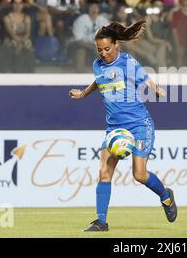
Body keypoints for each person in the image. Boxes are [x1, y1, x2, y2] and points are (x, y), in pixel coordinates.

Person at [69, 20, 177, 232]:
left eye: (107, 49)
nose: (103, 53)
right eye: (99, 49)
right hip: (115, 130)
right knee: (104, 171)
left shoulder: (127, 62)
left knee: (139, 174)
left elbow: (145, 79)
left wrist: (156, 89)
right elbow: (98, 82)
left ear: (116, 45)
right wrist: (83, 93)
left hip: (138, 126)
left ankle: (165, 196)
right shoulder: (97, 65)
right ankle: (101, 221)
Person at [71, 3, 109, 72]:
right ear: (88, 9)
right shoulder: (81, 20)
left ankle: (104, 77)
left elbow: (108, 39)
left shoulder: (103, 20)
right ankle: (79, 77)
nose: (94, 9)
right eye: (92, 7)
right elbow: (79, 41)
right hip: (80, 44)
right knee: (81, 51)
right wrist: (93, 48)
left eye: (96, 7)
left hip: (98, 46)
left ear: (99, 10)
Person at [1, 0, 35, 73]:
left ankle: (31, 74)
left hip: (24, 39)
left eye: (20, 3)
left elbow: (27, 33)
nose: (18, 5)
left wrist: (22, 43)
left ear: (23, 4)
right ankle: (15, 73)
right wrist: (19, 44)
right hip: (11, 39)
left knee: (29, 50)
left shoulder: (27, 17)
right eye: (15, 3)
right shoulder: (7, 17)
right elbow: (11, 33)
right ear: (12, 4)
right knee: (15, 49)